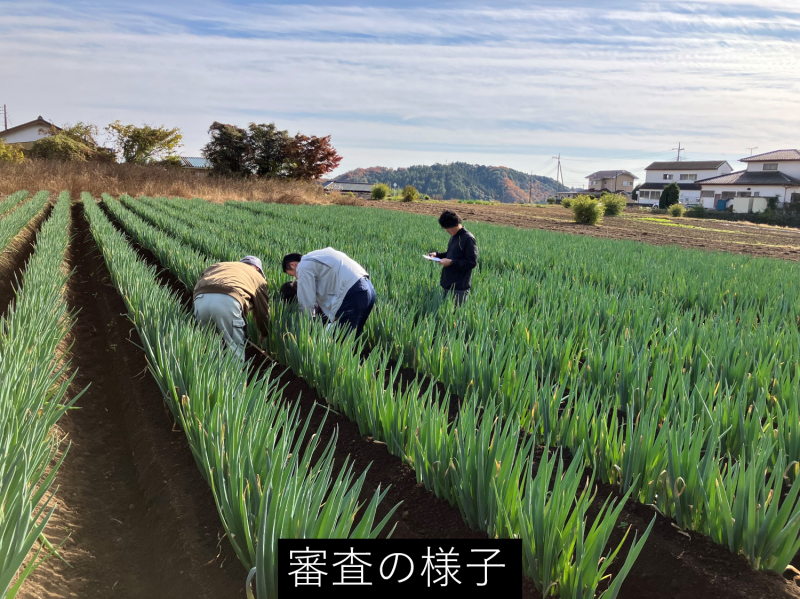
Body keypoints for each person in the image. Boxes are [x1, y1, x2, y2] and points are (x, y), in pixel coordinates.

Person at [282, 248, 375, 337]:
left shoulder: (303, 266)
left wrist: (305, 327)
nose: (297, 278)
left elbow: (307, 301)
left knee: (339, 341)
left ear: (293, 265)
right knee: (352, 337)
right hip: (368, 289)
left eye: (293, 274)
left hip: (354, 292)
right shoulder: (319, 256)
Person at [193, 256, 270, 360]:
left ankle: (211, 375)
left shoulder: (218, 266)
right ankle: (233, 375)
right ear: (257, 268)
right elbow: (262, 310)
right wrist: (264, 332)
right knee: (234, 348)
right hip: (228, 301)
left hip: (200, 300)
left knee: (210, 346)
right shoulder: (257, 276)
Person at [429, 210, 478, 305]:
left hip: (459, 287)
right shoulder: (454, 236)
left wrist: (451, 262)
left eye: (448, 228)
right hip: (447, 283)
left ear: (455, 224)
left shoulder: (468, 238)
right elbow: (451, 254)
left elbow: (472, 262)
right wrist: (437, 255)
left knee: (455, 317)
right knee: (444, 314)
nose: (447, 230)